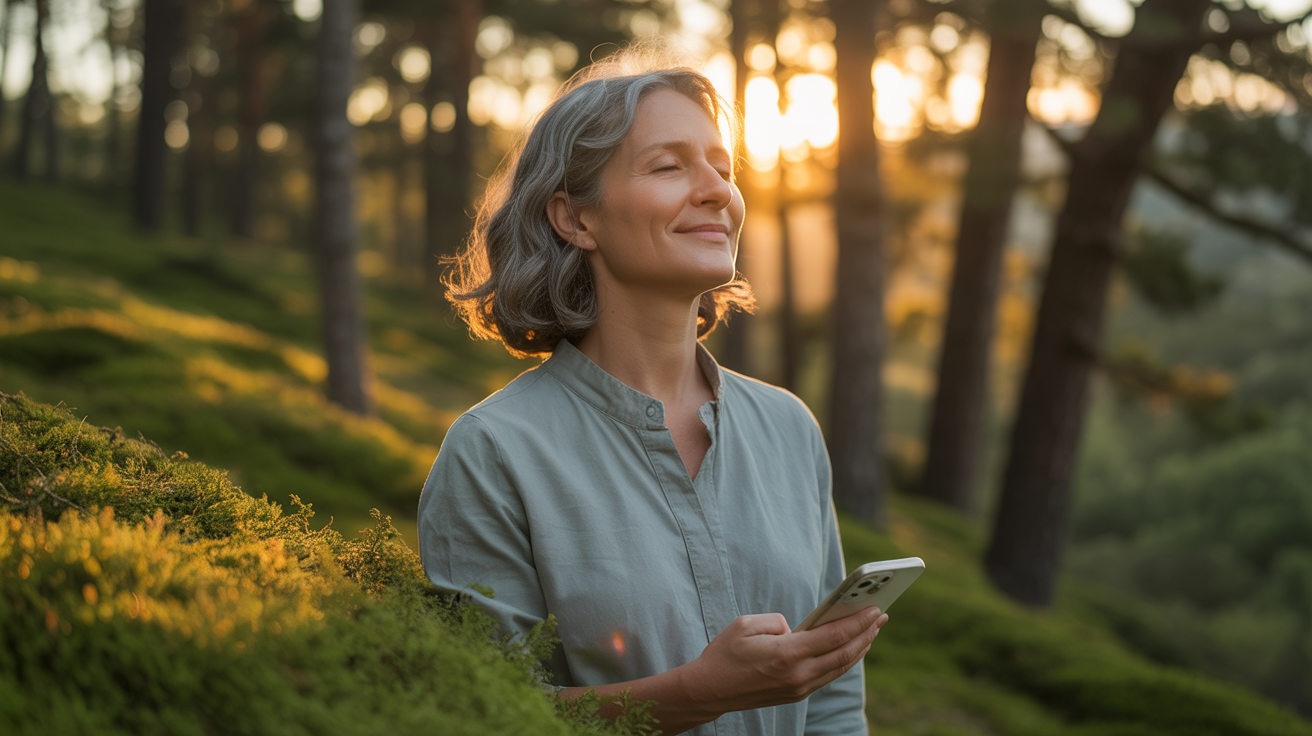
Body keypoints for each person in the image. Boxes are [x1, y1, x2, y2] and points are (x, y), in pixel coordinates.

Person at [418, 49, 887, 736]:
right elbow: (480, 714)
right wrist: (693, 694)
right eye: (669, 167)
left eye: (723, 170)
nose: (717, 191)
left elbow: (834, 705)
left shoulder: (789, 428)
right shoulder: (494, 451)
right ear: (575, 219)